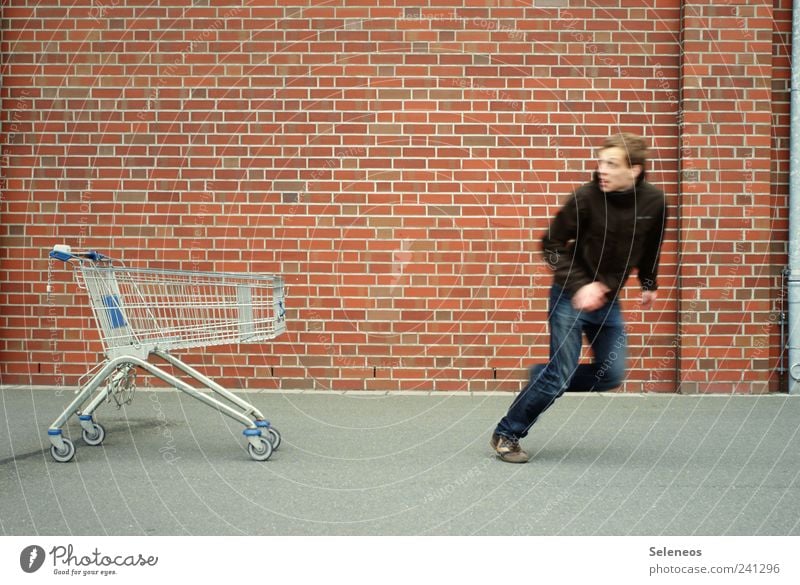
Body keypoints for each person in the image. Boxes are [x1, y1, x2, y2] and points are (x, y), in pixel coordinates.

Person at [490, 133, 667, 463]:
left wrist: (648, 281)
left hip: (609, 302)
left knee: (610, 375)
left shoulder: (655, 203)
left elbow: (651, 243)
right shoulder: (585, 199)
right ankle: (508, 433)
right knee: (560, 376)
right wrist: (582, 284)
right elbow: (551, 246)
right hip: (569, 297)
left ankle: (546, 378)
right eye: (600, 162)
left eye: (611, 164)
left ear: (636, 170)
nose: (602, 169)